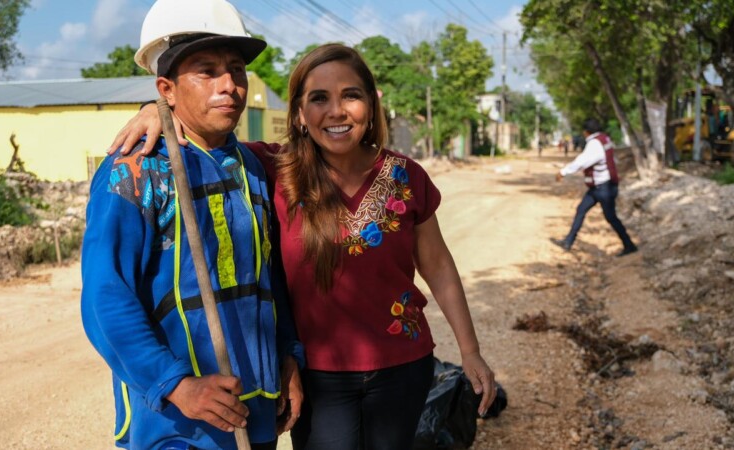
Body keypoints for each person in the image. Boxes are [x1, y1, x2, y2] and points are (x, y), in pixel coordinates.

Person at [111, 43, 497, 450]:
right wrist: (157, 110)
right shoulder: (273, 170)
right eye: (319, 98)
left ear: (371, 104)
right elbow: (202, 132)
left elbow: (437, 265)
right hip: (316, 376)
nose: (336, 111)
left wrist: (470, 351)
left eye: (351, 95)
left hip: (403, 366)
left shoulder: (406, 176)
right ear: (298, 112)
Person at [80, 1, 304, 449]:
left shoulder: (253, 168)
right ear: (167, 88)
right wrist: (176, 383)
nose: (229, 87)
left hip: (254, 410)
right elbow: (105, 295)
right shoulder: (136, 172)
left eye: (236, 70)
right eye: (206, 72)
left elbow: (270, 278)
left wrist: (289, 356)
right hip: (174, 424)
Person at [551, 118, 638, 256]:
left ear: (586, 132)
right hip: (600, 187)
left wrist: (563, 172)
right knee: (581, 210)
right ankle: (568, 241)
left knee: (611, 217)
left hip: (604, 188)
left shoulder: (594, 143)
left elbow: (582, 161)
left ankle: (629, 245)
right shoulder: (605, 139)